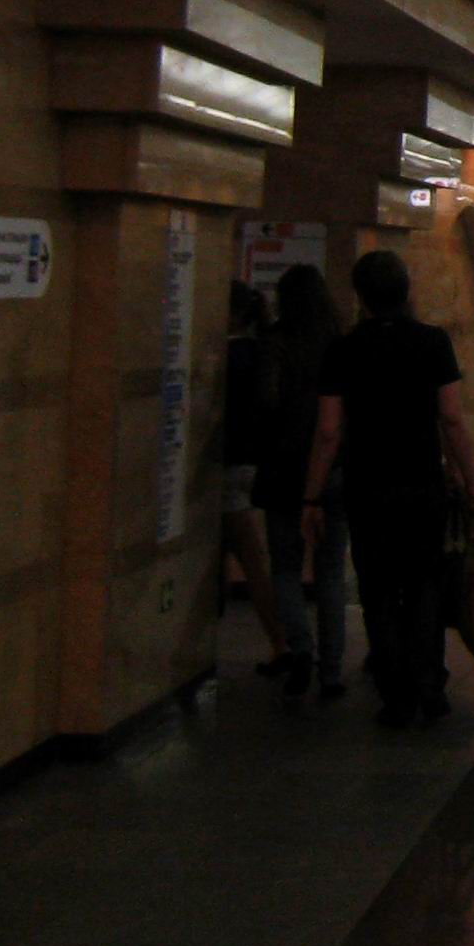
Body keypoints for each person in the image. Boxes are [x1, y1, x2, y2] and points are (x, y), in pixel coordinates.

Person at [301, 249, 474, 727]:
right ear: (406, 291)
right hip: (422, 483)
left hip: (367, 488)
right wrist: (469, 478)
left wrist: (311, 496)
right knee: (424, 584)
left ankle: (395, 692)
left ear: (360, 297)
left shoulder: (343, 350)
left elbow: (329, 432)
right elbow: (451, 418)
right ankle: (429, 686)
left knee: (377, 589)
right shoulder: (433, 342)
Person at [259, 263, 350, 700]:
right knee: (331, 573)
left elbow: (265, 401)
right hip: (331, 469)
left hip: (282, 468)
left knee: (285, 568)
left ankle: (299, 648)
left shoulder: (274, 342)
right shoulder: (338, 343)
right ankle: (331, 671)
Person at [217, 282, 294, 674]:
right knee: (249, 557)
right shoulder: (262, 352)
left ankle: (281, 642)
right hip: (255, 463)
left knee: (252, 561)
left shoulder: (228, 358)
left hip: (229, 465)